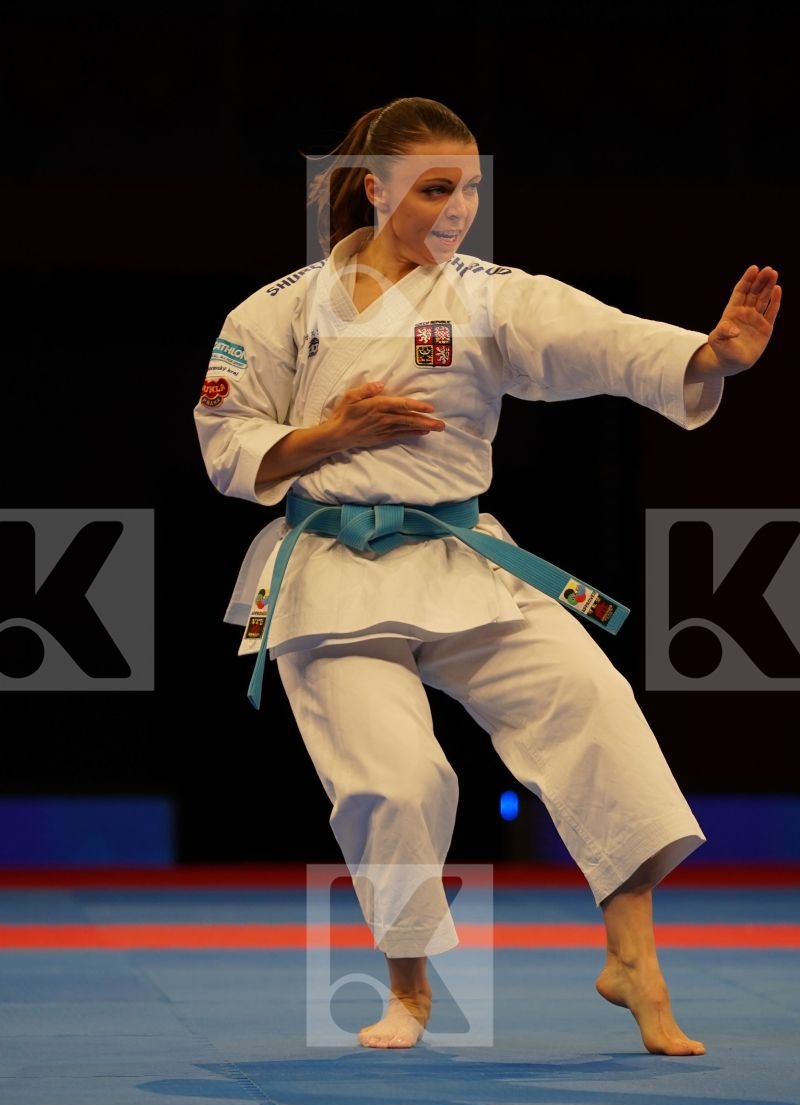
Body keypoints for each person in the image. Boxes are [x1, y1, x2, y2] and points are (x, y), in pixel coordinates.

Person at [194, 96, 781, 1055]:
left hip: (461, 555)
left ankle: (633, 957)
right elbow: (224, 441)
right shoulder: (278, 309)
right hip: (330, 570)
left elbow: (595, 335)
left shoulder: (484, 295)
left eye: (470, 187)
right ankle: (410, 989)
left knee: (593, 699)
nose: (459, 208)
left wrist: (705, 354)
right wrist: (330, 436)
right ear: (375, 190)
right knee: (395, 780)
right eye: (435, 188)